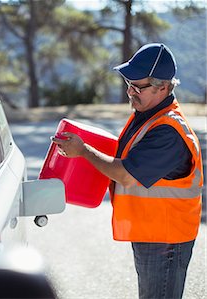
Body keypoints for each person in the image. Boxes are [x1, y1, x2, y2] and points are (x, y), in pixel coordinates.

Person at [52, 43, 203, 299]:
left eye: (138, 86)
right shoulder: (147, 115)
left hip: (165, 240)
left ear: (163, 87)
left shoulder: (168, 131)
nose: (130, 92)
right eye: (128, 84)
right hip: (152, 233)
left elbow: (126, 174)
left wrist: (84, 150)